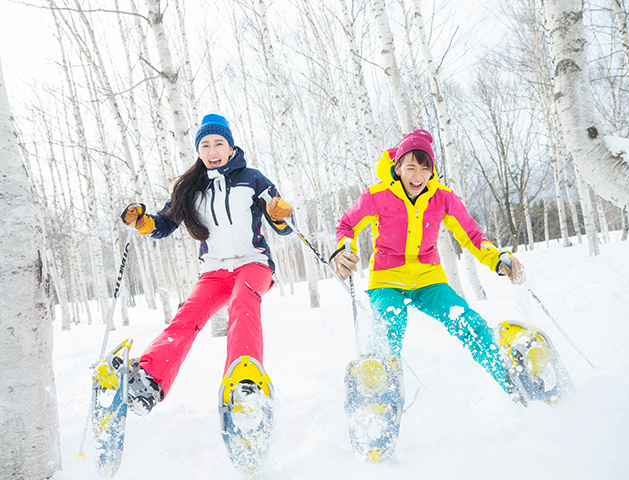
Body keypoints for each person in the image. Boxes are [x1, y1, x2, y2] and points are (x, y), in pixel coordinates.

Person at [331, 129, 526, 398]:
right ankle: (377, 391)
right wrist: (345, 251)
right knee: (389, 324)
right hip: (387, 280)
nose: (418, 176)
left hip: (429, 279)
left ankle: (512, 375)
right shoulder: (377, 196)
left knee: (466, 320)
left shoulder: (442, 197)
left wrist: (497, 258)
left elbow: (471, 235)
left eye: (425, 168)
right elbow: (347, 224)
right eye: (411, 167)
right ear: (397, 168)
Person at [120, 113, 294, 415]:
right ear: (198, 151)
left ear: (230, 147)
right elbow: (163, 224)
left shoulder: (253, 180)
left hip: (254, 263)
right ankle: (150, 379)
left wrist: (281, 214)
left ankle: (245, 379)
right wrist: (144, 223)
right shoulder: (190, 187)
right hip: (213, 271)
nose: (212, 152)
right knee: (187, 316)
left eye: (218, 144)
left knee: (243, 303)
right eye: (205, 146)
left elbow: (286, 226)